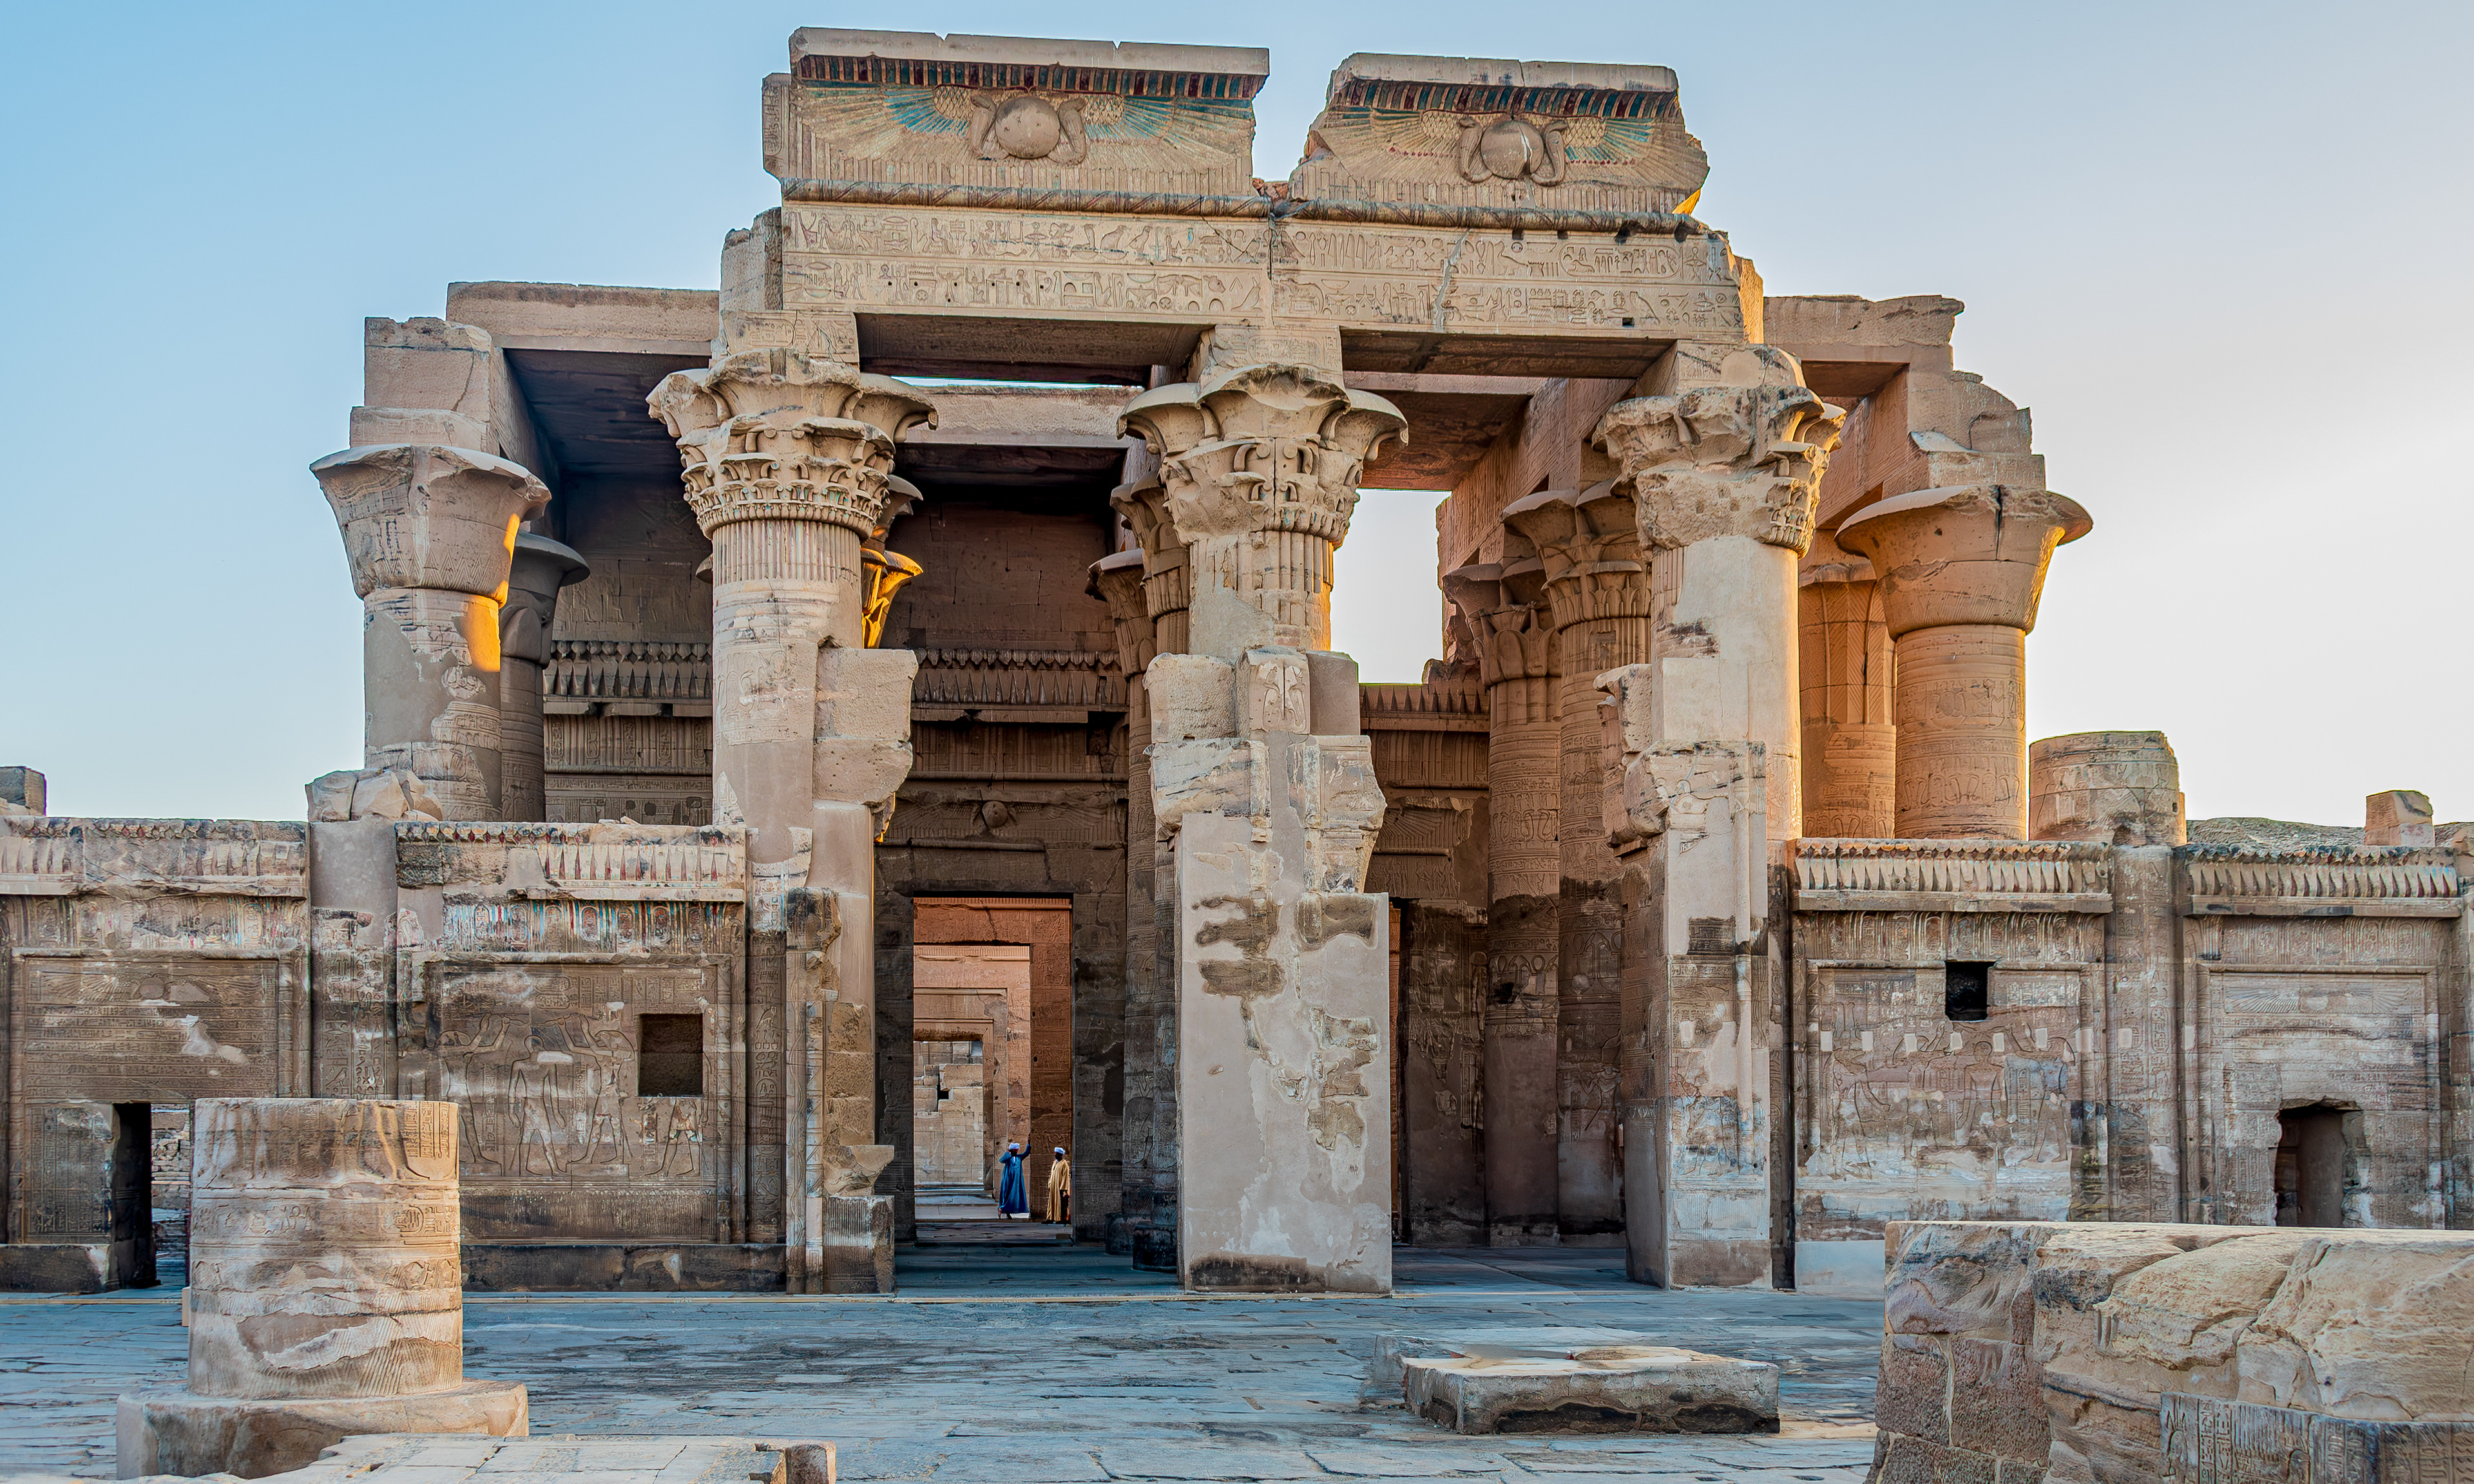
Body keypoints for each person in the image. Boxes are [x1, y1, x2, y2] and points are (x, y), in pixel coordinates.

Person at [997, 1142, 1028, 1218]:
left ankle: (1007, 1211)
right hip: (1008, 1180)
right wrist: (1008, 1153)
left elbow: (1026, 1153)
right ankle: (1003, 1209)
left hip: (1016, 1181)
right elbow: (1001, 1160)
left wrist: (1029, 1144)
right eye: (1015, 1150)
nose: (1016, 1152)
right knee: (1007, 1195)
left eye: (1017, 1150)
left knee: (1014, 1196)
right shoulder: (1008, 1158)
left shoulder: (1019, 1158)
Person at [1044, 1145, 1071, 1224]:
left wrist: (1063, 1188)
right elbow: (1051, 1174)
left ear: (1061, 1155)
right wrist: (1050, 1184)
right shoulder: (1055, 1163)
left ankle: (1060, 1219)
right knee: (1052, 1202)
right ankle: (1051, 1218)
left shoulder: (1064, 1164)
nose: (1056, 1155)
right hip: (1053, 1187)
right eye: (1055, 1153)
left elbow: (1065, 1176)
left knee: (1060, 1203)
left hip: (1060, 1187)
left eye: (1057, 1154)